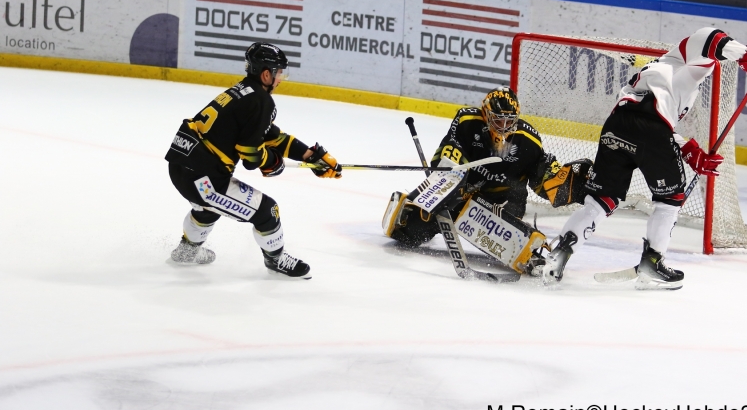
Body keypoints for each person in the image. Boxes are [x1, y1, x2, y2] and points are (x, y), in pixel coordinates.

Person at [541, 27, 747, 290]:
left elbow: (652, 124)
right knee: (670, 199)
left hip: (616, 126)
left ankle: (557, 255)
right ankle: (652, 264)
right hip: (651, 129)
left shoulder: (659, 74)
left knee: (600, 200)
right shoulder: (683, 56)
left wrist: (689, 150)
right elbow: (710, 37)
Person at [164, 42, 342, 279]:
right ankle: (276, 260)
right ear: (266, 74)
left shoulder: (243, 92)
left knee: (210, 208)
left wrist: (310, 155)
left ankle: (187, 252)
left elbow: (270, 136)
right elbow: (250, 155)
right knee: (268, 211)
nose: (281, 79)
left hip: (182, 166)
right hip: (202, 179)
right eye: (279, 73)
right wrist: (272, 162)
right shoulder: (261, 100)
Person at [383, 86, 572, 271]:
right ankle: (410, 212)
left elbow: (542, 178)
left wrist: (561, 182)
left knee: (508, 243)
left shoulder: (529, 140)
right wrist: (450, 184)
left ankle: (526, 248)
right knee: (409, 233)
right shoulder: (467, 122)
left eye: (509, 121)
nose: (504, 127)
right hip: (463, 193)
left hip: (504, 200)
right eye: (498, 120)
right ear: (486, 114)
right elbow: (446, 156)